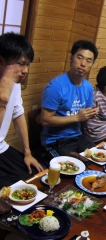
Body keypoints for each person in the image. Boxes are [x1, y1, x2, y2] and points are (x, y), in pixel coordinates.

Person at [41, 40, 99, 157]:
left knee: (99, 158)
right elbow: (45, 120)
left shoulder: (88, 87)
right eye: (80, 57)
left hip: (78, 137)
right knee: (70, 169)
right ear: (71, 58)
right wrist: (77, 117)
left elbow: (84, 118)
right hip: (56, 141)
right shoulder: (56, 86)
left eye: (89, 61)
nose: (83, 64)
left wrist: (90, 114)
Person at [0, 32, 44, 188]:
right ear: (1, 61)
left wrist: (27, 152)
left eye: (27, 64)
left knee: (35, 177)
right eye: (20, 63)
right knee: (9, 195)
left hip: (1, 148)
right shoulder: (6, 86)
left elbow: (18, 113)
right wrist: (3, 99)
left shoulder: (15, 83)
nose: (25, 70)